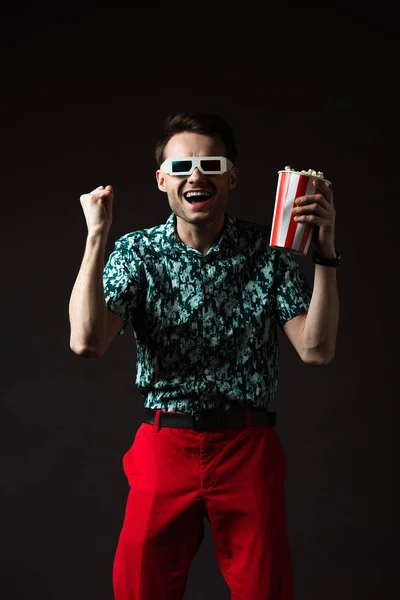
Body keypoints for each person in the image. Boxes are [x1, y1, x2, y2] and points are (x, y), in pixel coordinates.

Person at [68, 112, 340, 600]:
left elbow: (316, 350)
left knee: (266, 589)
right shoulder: (135, 253)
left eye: (210, 163)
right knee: (139, 589)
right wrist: (95, 238)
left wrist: (324, 256)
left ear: (231, 177)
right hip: (164, 444)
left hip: (247, 446)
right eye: (181, 166)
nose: (195, 175)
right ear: (162, 180)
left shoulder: (269, 252)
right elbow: (87, 340)